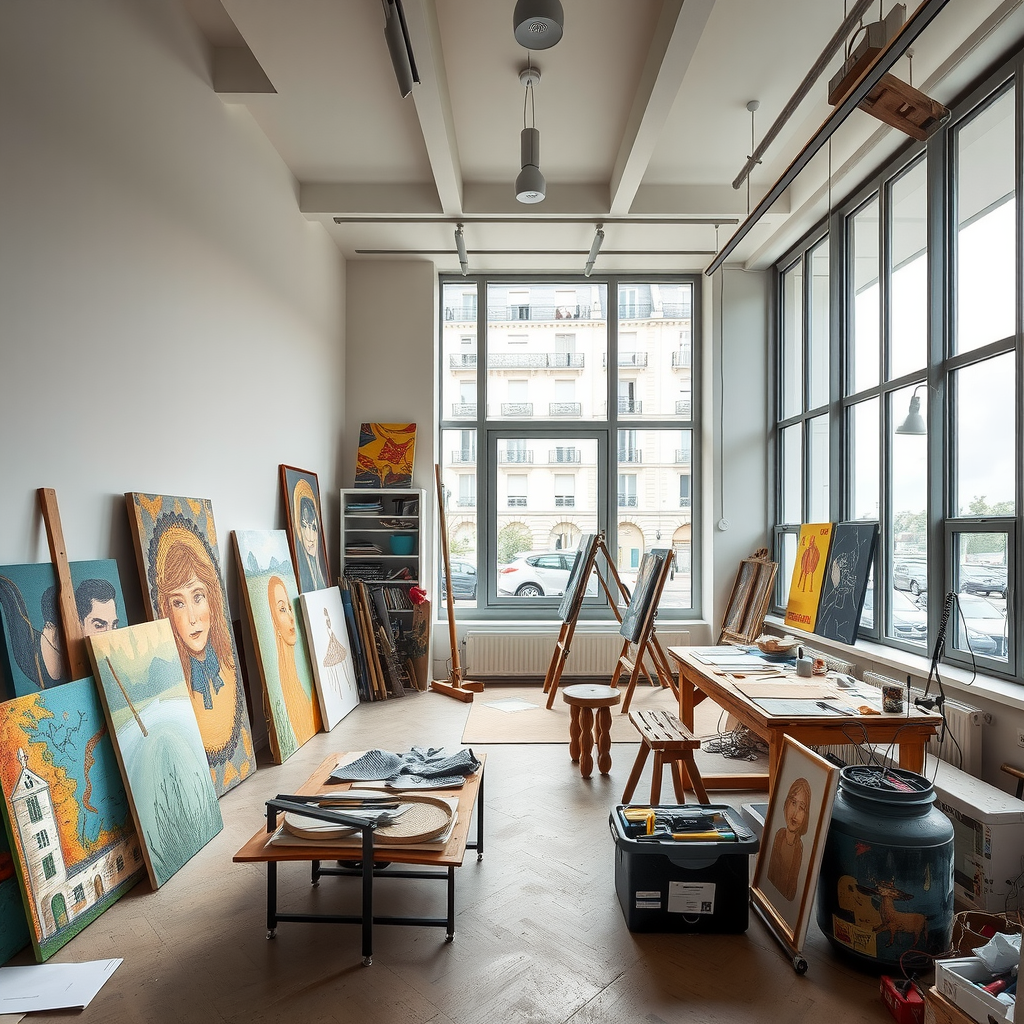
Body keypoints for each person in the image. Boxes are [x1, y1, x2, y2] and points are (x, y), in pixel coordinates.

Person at [154, 523, 244, 765]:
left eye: (197, 597)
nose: (192, 618)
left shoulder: (228, 666)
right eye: (178, 603)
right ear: (167, 612)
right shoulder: (171, 684)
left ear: (212, 601)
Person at [267, 575, 321, 743]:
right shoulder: (281, 693)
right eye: (282, 609)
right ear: (273, 620)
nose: (292, 617)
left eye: (290, 608)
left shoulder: (309, 687)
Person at [767, 776, 811, 902]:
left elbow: (791, 893)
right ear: (786, 803)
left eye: (802, 808)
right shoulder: (778, 835)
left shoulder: (799, 848)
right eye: (793, 803)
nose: (795, 813)